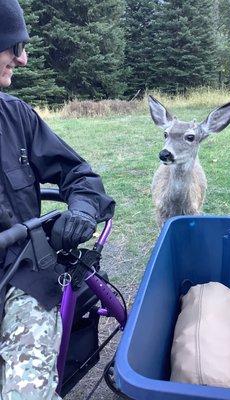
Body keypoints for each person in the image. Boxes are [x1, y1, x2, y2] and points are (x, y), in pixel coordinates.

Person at [0, 1, 115, 399]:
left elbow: (81, 175)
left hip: (23, 278)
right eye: (14, 46)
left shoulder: (17, 117)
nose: (23, 58)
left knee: (24, 391)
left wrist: (82, 212)